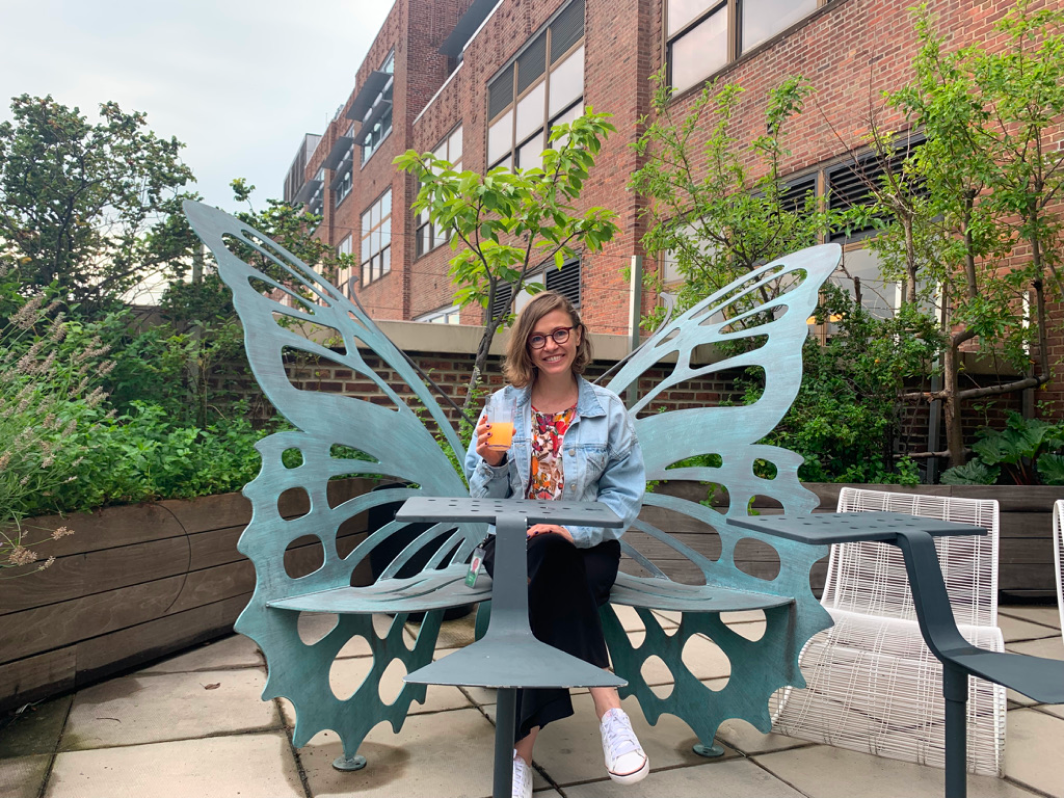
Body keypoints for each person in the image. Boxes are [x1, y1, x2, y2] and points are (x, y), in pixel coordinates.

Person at [464, 291, 648, 798]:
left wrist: (573, 531)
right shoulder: (501, 407)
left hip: (587, 548)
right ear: (526, 346)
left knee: (552, 561)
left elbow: (624, 498)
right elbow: (484, 499)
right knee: (542, 556)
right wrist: (496, 463)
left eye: (560, 333)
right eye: (539, 337)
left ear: (578, 336)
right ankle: (609, 707)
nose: (551, 345)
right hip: (514, 544)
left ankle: (518, 757)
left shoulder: (607, 411)